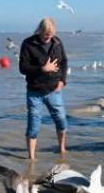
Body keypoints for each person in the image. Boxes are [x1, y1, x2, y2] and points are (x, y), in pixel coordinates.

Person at [19, 17, 68, 160]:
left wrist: (63, 81)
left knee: (61, 121)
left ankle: (62, 148)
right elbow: (23, 68)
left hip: (54, 90)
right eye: (46, 34)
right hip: (34, 92)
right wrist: (42, 69)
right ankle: (31, 158)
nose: (49, 37)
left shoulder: (57, 42)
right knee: (33, 125)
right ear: (40, 30)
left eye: (51, 34)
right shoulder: (28, 44)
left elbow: (64, 61)